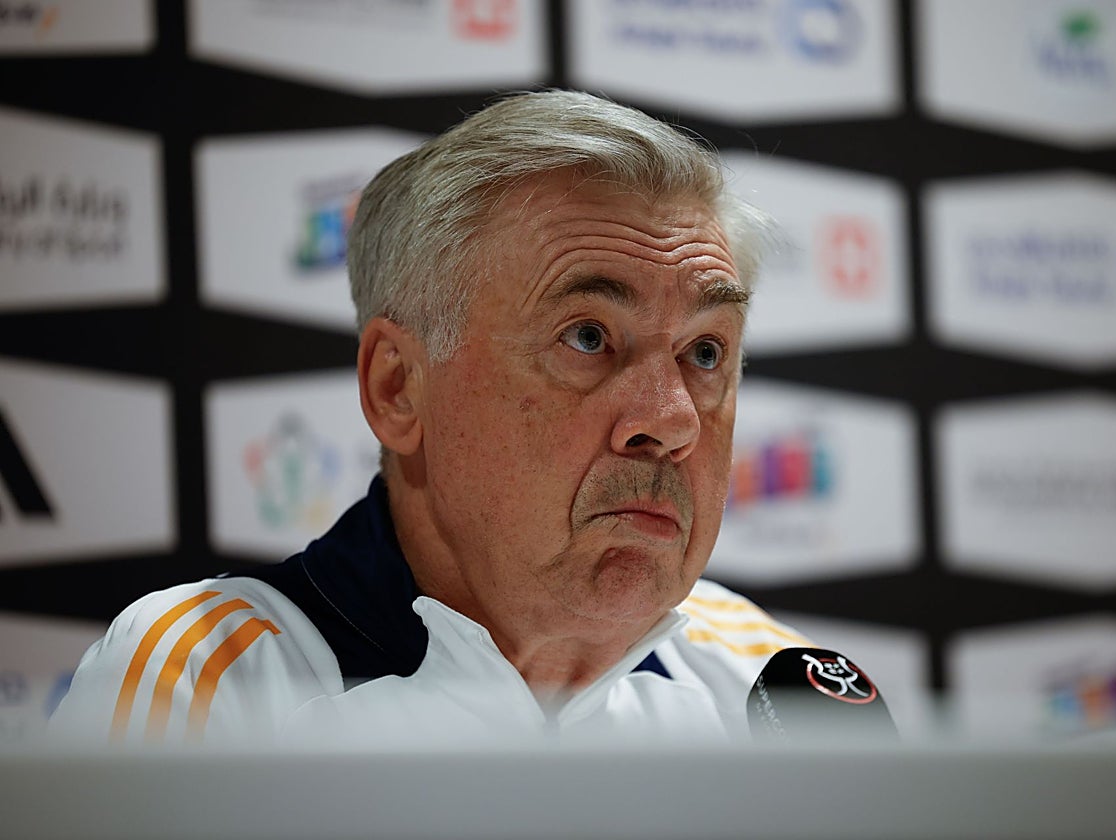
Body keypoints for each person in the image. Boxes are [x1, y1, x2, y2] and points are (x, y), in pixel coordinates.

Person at [50, 90, 888, 746]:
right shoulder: (206, 682)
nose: (670, 421)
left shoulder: (764, 687)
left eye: (706, 353)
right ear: (397, 389)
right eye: (589, 337)